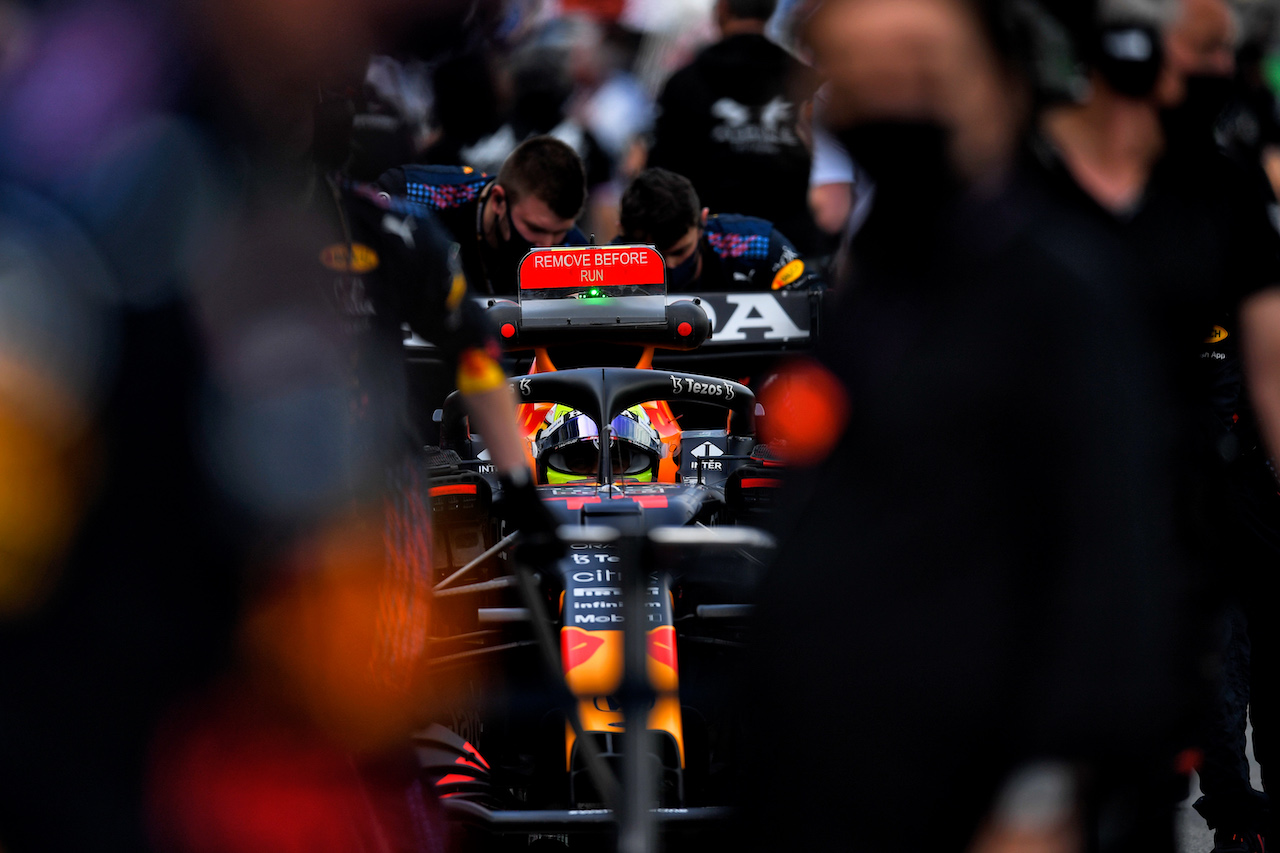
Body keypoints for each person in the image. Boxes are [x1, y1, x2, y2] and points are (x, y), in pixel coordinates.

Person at [742, 2, 1186, 853]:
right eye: (855, 74)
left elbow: (1110, 573)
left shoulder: (1062, 297)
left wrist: (1040, 795)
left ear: (1007, 89)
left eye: (919, 69)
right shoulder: (880, 292)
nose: (888, 101)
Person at [1029, 0, 1280, 849]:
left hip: (1223, 462)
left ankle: (1243, 812)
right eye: (1195, 52)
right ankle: (1227, 807)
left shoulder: (1225, 184)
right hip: (1097, 486)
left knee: (1234, 648)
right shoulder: (1041, 179)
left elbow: (1271, 356)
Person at [646, 0, 821, 254]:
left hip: (711, 250)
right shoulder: (805, 80)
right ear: (771, 12)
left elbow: (662, 176)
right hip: (795, 249)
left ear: (722, 10)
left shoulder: (684, 83)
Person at [378, 135, 589, 295]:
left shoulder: (573, 247)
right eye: (535, 229)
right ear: (498, 200)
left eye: (560, 231)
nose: (548, 247)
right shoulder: (414, 192)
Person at [616, 167, 816, 292]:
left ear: (702, 221)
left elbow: (813, 298)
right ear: (623, 233)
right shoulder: (608, 264)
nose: (670, 265)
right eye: (655, 254)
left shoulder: (756, 243)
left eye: (679, 251)